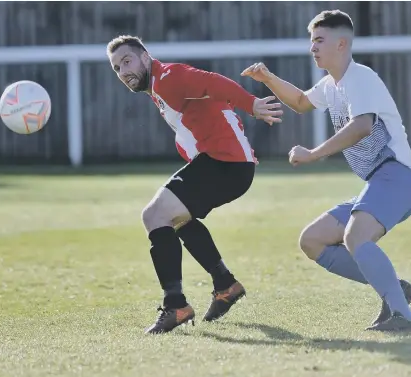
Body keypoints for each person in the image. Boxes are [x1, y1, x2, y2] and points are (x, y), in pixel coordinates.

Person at [241, 10, 411, 331]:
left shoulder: (360, 78)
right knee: (312, 240)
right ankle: (394, 289)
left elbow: (362, 126)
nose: (312, 48)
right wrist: (268, 79)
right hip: (379, 182)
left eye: (319, 40)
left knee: (355, 238)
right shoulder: (331, 85)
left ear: (341, 44)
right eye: (311, 41)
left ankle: (403, 317)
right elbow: (299, 101)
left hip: (399, 176)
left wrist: (313, 153)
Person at [107, 35, 283, 334]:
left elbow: (215, 83)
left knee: (154, 216)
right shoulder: (158, 89)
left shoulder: (168, 77)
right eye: (116, 68)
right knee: (176, 221)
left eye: (127, 61)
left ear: (146, 58)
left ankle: (175, 305)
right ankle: (226, 285)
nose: (123, 71)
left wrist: (252, 104)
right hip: (227, 163)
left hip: (225, 163)